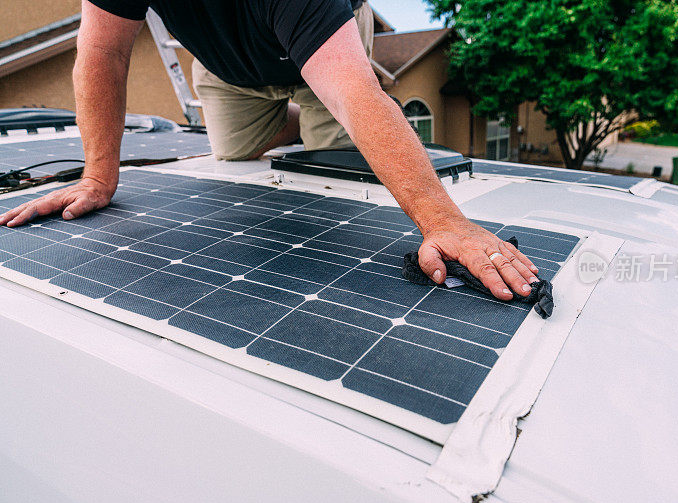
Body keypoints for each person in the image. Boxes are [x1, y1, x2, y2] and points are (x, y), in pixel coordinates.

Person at [0, 0, 539, 301]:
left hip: (324, 48)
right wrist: (98, 178)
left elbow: (354, 96)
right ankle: (305, 117)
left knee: (335, 160)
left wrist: (443, 221)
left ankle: (322, 110)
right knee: (234, 151)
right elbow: (103, 53)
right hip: (230, 67)